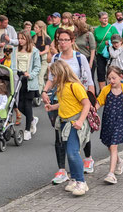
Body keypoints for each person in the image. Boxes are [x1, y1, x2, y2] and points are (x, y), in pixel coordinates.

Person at [41, 29, 95, 183]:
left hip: (78, 100)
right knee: (59, 134)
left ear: (72, 41)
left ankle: (88, 158)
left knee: (81, 131)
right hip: (61, 100)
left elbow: (89, 81)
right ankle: (62, 170)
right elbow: (52, 78)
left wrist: (92, 102)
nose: (62, 43)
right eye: (59, 40)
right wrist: (45, 91)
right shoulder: (56, 58)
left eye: (65, 40)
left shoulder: (80, 58)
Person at [44, 60, 91, 196]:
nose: (53, 78)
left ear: (61, 73)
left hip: (74, 123)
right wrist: (53, 107)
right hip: (64, 123)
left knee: (72, 152)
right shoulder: (61, 87)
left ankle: (82, 182)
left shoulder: (75, 86)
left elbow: (86, 104)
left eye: (54, 75)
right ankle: (75, 179)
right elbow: (65, 103)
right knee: (69, 153)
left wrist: (81, 121)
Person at [97, 66, 123, 184]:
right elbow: (99, 102)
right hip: (108, 121)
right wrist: (92, 111)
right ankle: (119, 161)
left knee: (113, 146)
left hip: (119, 121)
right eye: (109, 79)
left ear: (121, 77)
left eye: (114, 78)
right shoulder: (106, 90)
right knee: (109, 145)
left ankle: (111, 174)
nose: (111, 81)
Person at [16, 31, 41, 140]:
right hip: (18, 79)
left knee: (27, 104)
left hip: (29, 80)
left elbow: (37, 67)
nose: (20, 41)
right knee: (17, 105)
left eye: (22, 38)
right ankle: (32, 119)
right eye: (19, 38)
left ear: (27, 39)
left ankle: (27, 130)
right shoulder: (15, 50)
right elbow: (13, 64)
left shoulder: (34, 51)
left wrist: (30, 75)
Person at [94, 12, 119, 90]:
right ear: (99, 19)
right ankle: (103, 91)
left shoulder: (112, 28)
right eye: (104, 18)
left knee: (112, 71)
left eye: (107, 18)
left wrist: (110, 42)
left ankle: (113, 89)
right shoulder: (96, 29)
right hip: (100, 53)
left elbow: (118, 39)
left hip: (111, 53)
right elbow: (95, 41)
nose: (106, 19)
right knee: (100, 72)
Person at [33, 21, 51, 91]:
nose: (34, 29)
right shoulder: (33, 37)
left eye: (36, 27)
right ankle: (44, 91)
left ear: (41, 28)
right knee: (37, 75)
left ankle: (39, 93)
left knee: (40, 76)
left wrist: (39, 53)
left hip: (44, 59)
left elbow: (47, 50)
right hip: (36, 58)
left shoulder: (47, 38)